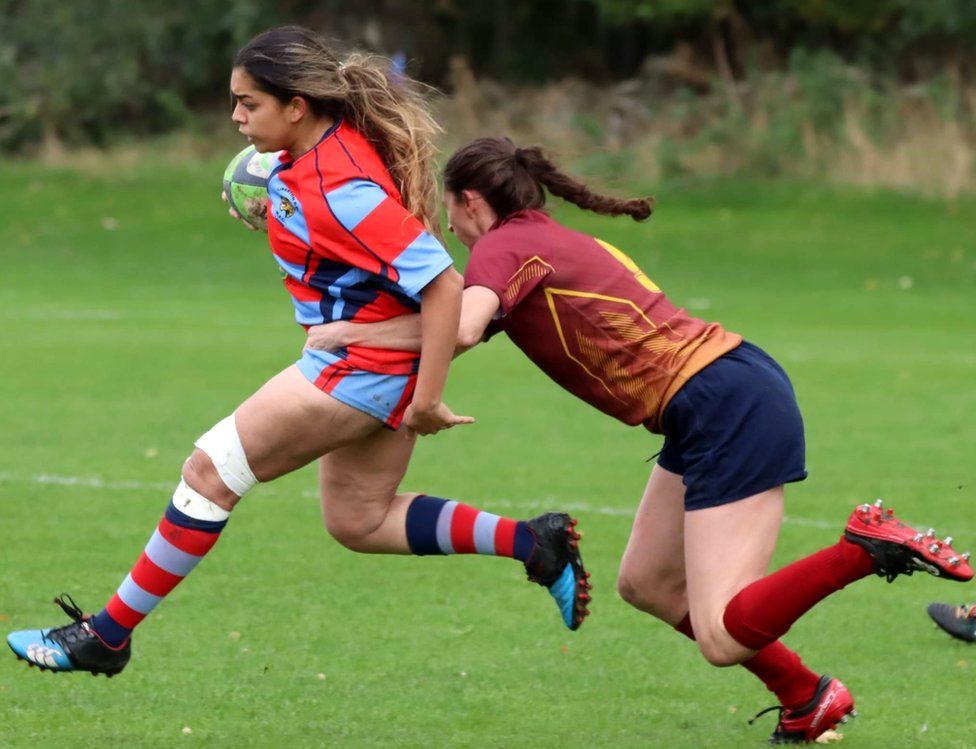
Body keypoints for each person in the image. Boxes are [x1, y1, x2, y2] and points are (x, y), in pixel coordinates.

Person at [303, 136, 974, 744]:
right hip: (715, 395)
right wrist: (373, 344)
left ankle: (861, 548)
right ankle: (807, 696)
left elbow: (464, 327)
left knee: (718, 634)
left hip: (722, 404)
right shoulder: (539, 238)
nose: (448, 228)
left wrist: (349, 336)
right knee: (647, 582)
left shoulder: (502, 247)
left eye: (449, 212)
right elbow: (461, 327)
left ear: (471, 200)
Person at [5, 30, 591, 678]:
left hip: (359, 370)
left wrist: (426, 399)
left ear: (296, 105)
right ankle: (535, 543)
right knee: (359, 520)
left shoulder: (342, 185)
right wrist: (274, 201)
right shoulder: (318, 157)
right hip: (369, 364)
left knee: (209, 471)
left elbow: (444, 285)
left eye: (247, 103)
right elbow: (329, 221)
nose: (235, 117)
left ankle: (106, 635)